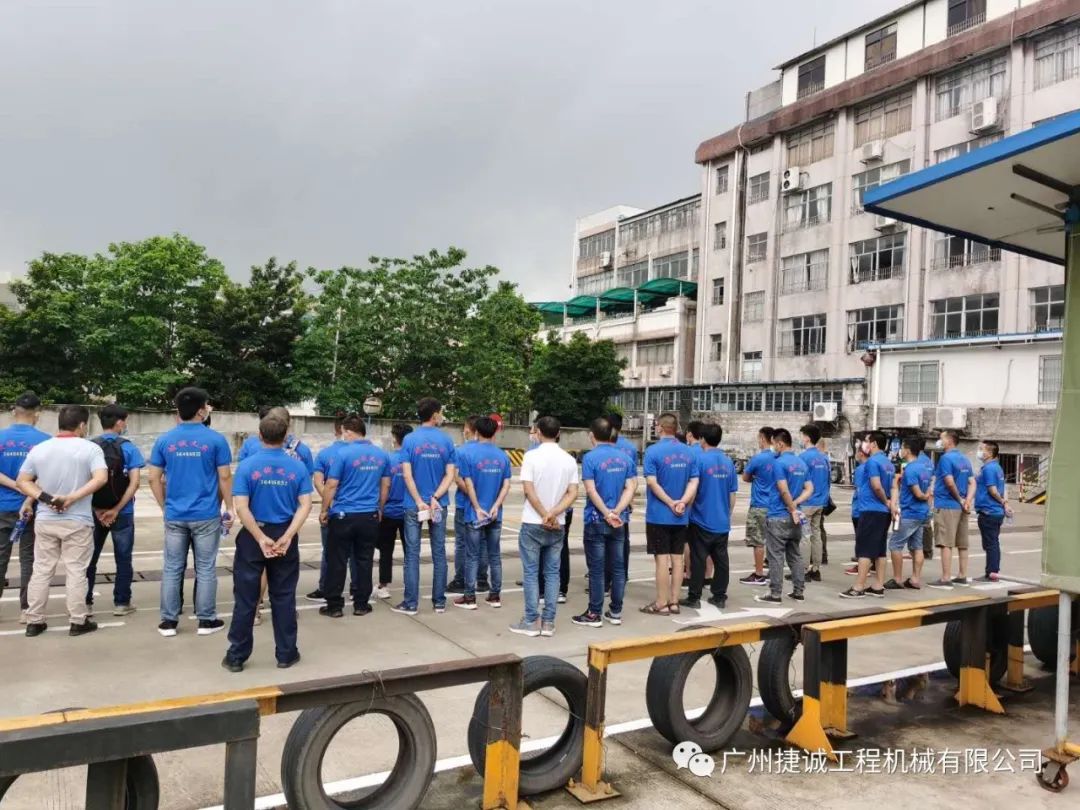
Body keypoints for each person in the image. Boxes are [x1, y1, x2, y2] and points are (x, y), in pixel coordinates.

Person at [222, 412, 312, 672]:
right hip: (284, 533)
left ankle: (236, 656)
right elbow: (305, 505)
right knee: (283, 596)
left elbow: (241, 507)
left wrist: (260, 537)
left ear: (259, 435)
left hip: (254, 535)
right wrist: (288, 535)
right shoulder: (297, 467)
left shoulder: (248, 466)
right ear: (286, 436)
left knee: (246, 597)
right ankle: (286, 653)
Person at [148, 387, 234, 637]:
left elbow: (153, 478)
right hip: (206, 514)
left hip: (175, 514)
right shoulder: (216, 440)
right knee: (205, 567)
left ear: (178, 410)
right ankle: (206, 620)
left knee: (172, 567)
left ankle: (168, 622)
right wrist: (229, 507)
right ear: (201, 411)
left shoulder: (165, 440)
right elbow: (224, 476)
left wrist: (165, 506)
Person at [17, 405, 108, 636]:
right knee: (76, 570)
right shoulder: (90, 449)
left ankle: (34, 620)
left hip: (46, 518)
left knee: (41, 569)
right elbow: (101, 478)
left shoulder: (40, 449)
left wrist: (46, 498)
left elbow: (23, 481)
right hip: (78, 520)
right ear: (82, 425)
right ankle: (78, 620)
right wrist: (72, 498)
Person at [510, 416, 578, 637]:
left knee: (531, 573)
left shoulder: (531, 457)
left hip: (533, 521)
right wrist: (554, 513)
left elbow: (528, 490)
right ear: (558, 433)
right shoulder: (568, 459)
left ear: (538, 432)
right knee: (552, 573)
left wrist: (543, 514)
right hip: (557, 524)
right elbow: (573, 492)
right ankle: (548, 622)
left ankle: (531, 620)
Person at [320, 414, 390, 617]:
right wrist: (379, 508)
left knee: (337, 560)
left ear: (349, 432)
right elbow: (385, 485)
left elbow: (331, 484)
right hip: (369, 515)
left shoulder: (342, 453)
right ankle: (361, 604)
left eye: (344, 433)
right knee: (364, 560)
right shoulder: (381, 455)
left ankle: (334, 606)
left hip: (344, 514)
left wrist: (324, 510)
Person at [393, 397, 456, 616]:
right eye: (441, 412)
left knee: (412, 554)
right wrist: (435, 497)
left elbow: (407, 474)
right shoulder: (446, 440)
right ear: (435, 414)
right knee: (439, 552)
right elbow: (450, 474)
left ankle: (411, 603)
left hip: (413, 505)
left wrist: (420, 500)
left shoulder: (409, 440)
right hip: (439, 504)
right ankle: (439, 602)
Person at [573, 417, 636, 628]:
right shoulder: (625, 458)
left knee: (597, 569)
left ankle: (594, 613)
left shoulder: (590, 458)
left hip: (596, 519)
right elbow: (631, 487)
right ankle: (616, 611)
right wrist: (617, 511)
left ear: (592, 435)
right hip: (619, 521)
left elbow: (591, 490)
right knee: (618, 567)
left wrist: (606, 513)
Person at [85, 404, 145, 616]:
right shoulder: (129, 448)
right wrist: (117, 509)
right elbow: (134, 483)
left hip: (94, 512)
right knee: (123, 558)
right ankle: (122, 603)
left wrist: (97, 508)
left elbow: (84, 482)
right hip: (123, 512)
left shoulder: (90, 446)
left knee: (89, 558)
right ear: (119, 422)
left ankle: (85, 602)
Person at [641, 413, 699, 616]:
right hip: (681, 515)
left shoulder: (653, 451)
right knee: (677, 559)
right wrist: (682, 501)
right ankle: (674, 601)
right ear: (676, 429)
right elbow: (694, 481)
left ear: (659, 427)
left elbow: (651, 482)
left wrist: (670, 502)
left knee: (661, 560)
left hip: (659, 515)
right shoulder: (689, 452)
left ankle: (661, 602)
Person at [0, 392, 51, 624]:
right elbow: (45, 476)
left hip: (2, 506)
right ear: (37, 414)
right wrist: (26, 490)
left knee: (1, 557)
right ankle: (26, 608)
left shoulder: (1, 437)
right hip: (31, 507)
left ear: (14, 412)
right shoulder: (45, 441)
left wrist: (15, 484)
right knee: (29, 558)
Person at [455, 416, 511, 610]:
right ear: (495, 432)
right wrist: (496, 506)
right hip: (495, 514)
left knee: (471, 555)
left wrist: (477, 507)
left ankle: (469, 597)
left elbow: (468, 484)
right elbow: (506, 485)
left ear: (476, 432)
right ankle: (494, 596)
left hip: (474, 514)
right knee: (494, 555)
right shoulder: (502, 456)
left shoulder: (468, 454)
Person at [682, 423, 738, 610]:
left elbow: (693, 490)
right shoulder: (728, 462)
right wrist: (727, 514)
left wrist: (686, 511)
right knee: (721, 560)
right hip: (722, 521)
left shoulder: (699, 460)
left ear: (702, 439)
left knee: (698, 558)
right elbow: (732, 494)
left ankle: (694, 596)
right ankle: (719, 596)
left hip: (700, 519)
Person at [755, 428, 811, 605]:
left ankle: (775, 593)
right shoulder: (801, 463)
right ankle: (798, 592)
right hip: (795, 517)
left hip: (778, 515)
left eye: (774, 444)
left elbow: (783, 489)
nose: (773, 447)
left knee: (776, 556)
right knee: (795, 554)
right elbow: (810, 488)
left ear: (780, 443)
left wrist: (791, 506)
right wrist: (796, 504)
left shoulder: (779, 463)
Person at [306, 413, 357, 603]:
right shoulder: (361, 454)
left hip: (333, 509)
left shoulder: (325, 454)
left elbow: (318, 482)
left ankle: (326, 589)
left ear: (337, 430)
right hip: (356, 509)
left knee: (329, 551)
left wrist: (328, 503)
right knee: (355, 553)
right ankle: (356, 589)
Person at [840, 432, 894, 599]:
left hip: (871, 509)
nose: (865, 444)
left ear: (874, 444)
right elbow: (893, 487)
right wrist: (890, 503)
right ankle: (878, 586)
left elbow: (876, 486)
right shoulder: (888, 463)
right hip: (883, 512)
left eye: (867, 441)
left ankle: (858, 587)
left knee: (864, 549)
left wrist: (884, 501)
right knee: (880, 551)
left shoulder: (872, 462)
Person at [928, 430, 976, 589]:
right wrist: (967, 500)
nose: (939, 441)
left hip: (946, 504)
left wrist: (959, 499)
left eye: (941, 438)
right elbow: (972, 482)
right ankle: (962, 575)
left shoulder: (945, 459)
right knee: (962, 543)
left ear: (949, 441)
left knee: (945, 543)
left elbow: (949, 482)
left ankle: (945, 578)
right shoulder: (964, 459)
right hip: (962, 507)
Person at [885, 437, 931, 590]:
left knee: (895, 545)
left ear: (908, 450)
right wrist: (926, 497)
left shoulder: (910, 469)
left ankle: (897, 579)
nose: (900, 450)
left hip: (909, 512)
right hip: (922, 513)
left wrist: (924, 496)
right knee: (917, 547)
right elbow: (928, 489)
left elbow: (918, 493)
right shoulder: (924, 468)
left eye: (902, 447)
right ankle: (915, 579)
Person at [449, 416, 488, 595]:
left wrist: (472, 498)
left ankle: (460, 579)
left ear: (469, 429)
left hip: (465, 505)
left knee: (462, 543)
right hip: (485, 505)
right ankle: (482, 579)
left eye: (464, 427)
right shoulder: (489, 451)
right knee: (483, 542)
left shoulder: (461, 451)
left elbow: (458, 478)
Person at [377, 423, 412, 599]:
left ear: (394, 438)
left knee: (385, 550)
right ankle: (411, 583)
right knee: (410, 551)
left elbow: (384, 486)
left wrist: (380, 508)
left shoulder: (387, 459)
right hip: (409, 511)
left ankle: (383, 585)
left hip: (389, 511)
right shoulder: (413, 461)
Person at [739, 427, 775, 586]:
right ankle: (774, 572)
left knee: (758, 541)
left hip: (759, 504)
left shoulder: (758, 459)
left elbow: (745, 477)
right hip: (776, 505)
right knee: (774, 541)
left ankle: (759, 574)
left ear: (762, 438)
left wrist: (756, 477)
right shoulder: (778, 457)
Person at [974, 440, 1012, 583]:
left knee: (991, 544)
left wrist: (1002, 502)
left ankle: (992, 573)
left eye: (981, 449)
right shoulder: (997, 467)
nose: (979, 451)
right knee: (992, 543)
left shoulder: (989, 469)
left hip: (989, 511)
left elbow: (993, 490)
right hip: (994, 511)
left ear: (989, 453)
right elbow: (1004, 488)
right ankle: (992, 571)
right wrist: (1005, 504)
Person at [797, 424, 830, 582]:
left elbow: (798, 481)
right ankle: (815, 569)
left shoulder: (803, 457)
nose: (801, 438)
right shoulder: (824, 457)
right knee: (816, 534)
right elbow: (828, 480)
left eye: (802, 435)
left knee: (804, 535)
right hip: (820, 502)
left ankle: (803, 570)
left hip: (806, 502)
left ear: (807, 438)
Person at [608, 412, 637, 589]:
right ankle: (622, 575)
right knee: (623, 540)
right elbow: (633, 479)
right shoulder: (630, 448)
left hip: (605, 501)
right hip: (624, 501)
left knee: (603, 542)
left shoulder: (603, 446)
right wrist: (630, 500)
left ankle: (606, 580)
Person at [237, 406, 316, 473]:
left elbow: (242, 471)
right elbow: (307, 479)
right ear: (289, 424)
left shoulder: (251, 446)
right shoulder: (303, 450)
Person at [845, 445, 869, 576]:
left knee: (860, 539)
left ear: (861, 453)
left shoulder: (861, 469)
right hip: (871, 508)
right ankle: (871, 563)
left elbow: (859, 489)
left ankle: (861, 565)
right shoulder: (874, 466)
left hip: (860, 508)